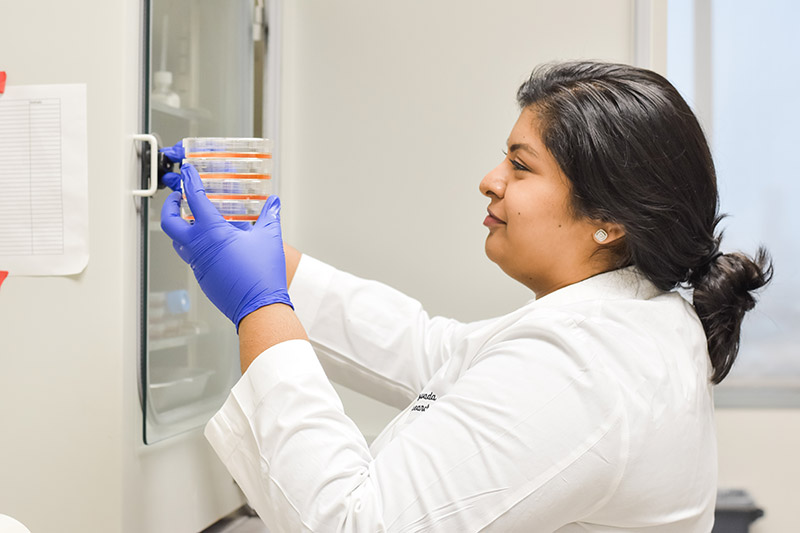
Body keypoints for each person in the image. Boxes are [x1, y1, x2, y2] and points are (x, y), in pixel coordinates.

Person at [160, 61, 772, 532]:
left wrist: (261, 307)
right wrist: (267, 262)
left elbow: (355, 524)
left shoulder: (587, 368)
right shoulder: (627, 320)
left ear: (609, 219)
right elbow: (436, 355)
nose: (490, 180)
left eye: (521, 165)